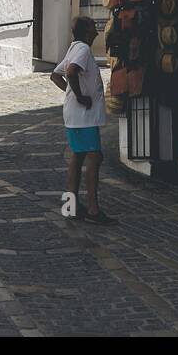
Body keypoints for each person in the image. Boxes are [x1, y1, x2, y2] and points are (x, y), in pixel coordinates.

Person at [50, 16, 116, 225]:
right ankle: (93, 210)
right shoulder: (83, 50)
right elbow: (69, 72)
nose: (97, 32)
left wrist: (71, 93)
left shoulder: (74, 48)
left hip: (75, 115)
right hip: (83, 117)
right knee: (94, 158)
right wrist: (78, 96)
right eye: (93, 28)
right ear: (87, 32)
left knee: (78, 157)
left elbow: (55, 75)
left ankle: (70, 206)